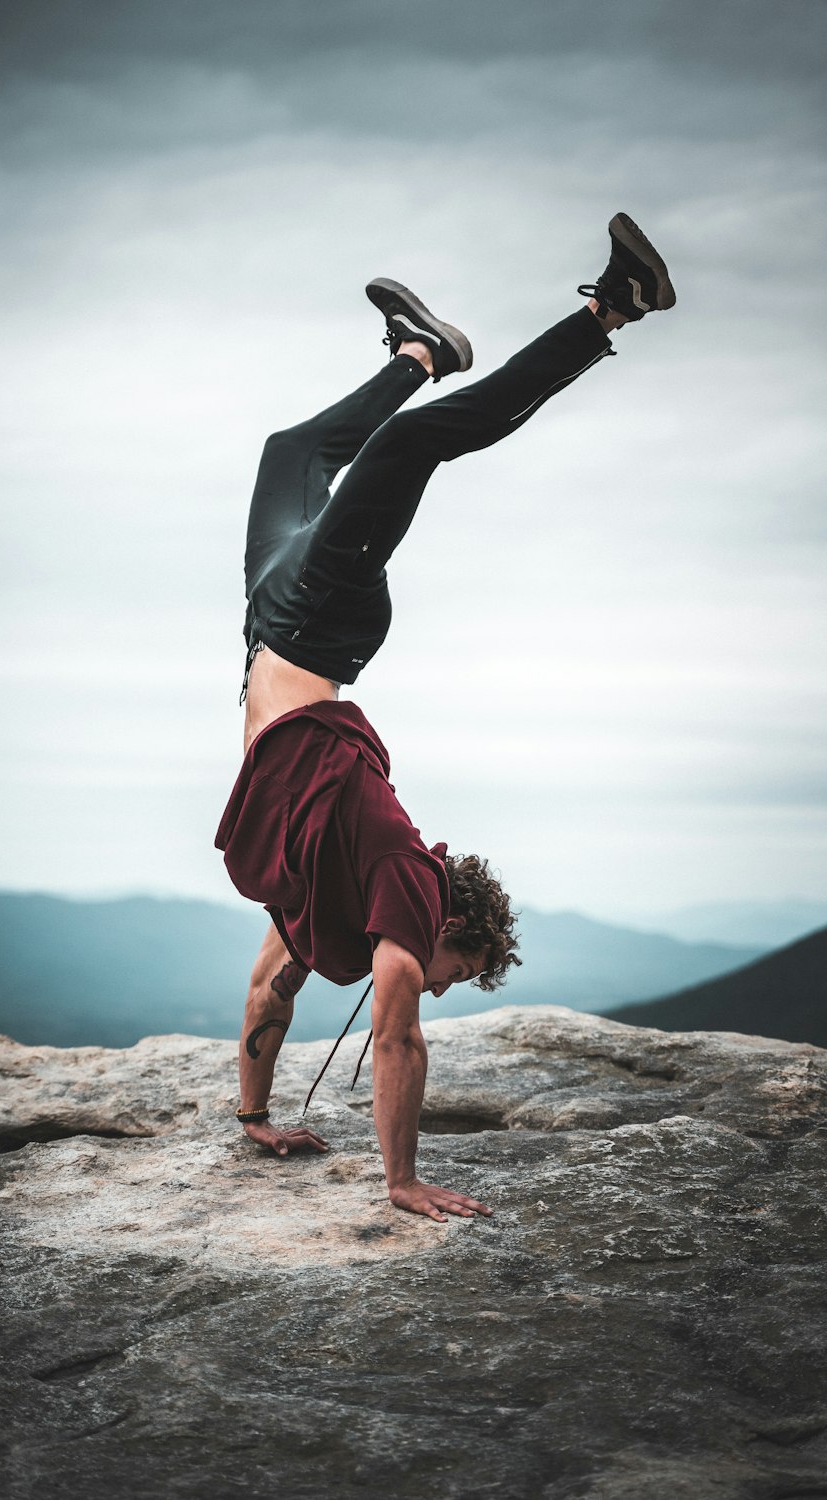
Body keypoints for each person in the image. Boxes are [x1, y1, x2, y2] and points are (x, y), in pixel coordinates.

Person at [215, 213, 675, 1222]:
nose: (430, 981)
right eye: (455, 971)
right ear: (449, 921)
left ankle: (436, 352)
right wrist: (400, 1180)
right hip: (310, 621)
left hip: (280, 628)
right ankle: (598, 314)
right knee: (328, 447)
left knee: (334, 451)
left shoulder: (327, 901)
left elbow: (269, 996)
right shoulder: (401, 886)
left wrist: (254, 1118)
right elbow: (398, 1037)